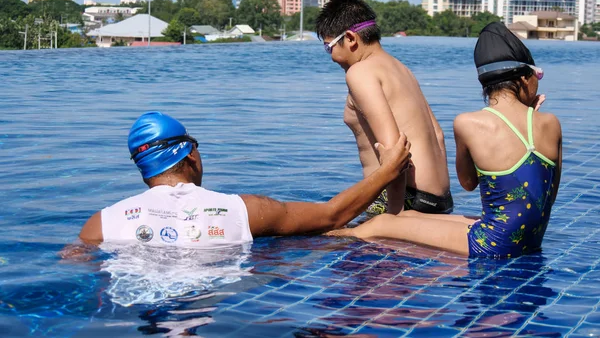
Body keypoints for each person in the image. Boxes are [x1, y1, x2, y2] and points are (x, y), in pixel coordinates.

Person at [329, 22, 563, 258]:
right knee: (410, 217)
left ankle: (316, 240)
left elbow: (468, 182)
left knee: (380, 224)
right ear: (523, 78)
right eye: (538, 74)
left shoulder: (469, 123)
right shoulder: (551, 123)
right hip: (531, 241)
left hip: (490, 244)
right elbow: (548, 197)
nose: (538, 80)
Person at [78, 111, 411, 246]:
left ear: (143, 169)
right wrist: (387, 171)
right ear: (191, 155)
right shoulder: (243, 211)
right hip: (221, 303)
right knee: (329, 237)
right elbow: (332, 214)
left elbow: (74, 264)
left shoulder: (99, 225)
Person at [315, 0, 452, 216]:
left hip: (404, 199)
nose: (330, 56)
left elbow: (393, 150)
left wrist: (393, 216)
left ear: (350, 38)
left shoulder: (360, 72)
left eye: (329, 47)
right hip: (439, 199)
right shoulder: (400, 68)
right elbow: (438, 135)